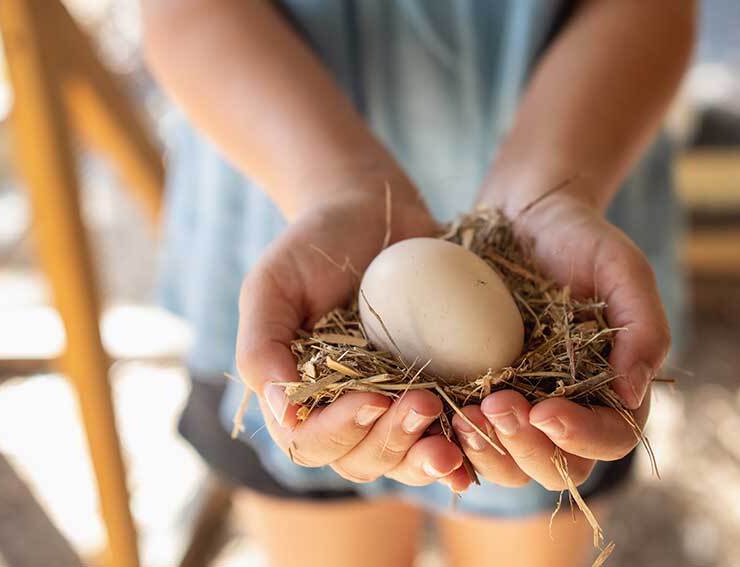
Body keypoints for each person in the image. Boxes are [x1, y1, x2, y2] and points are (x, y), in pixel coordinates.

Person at [142, 1, 695, 565]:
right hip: (282, 163)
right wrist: (337, 186)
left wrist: (549, 187)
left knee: (532, 505)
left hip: (576, 152)